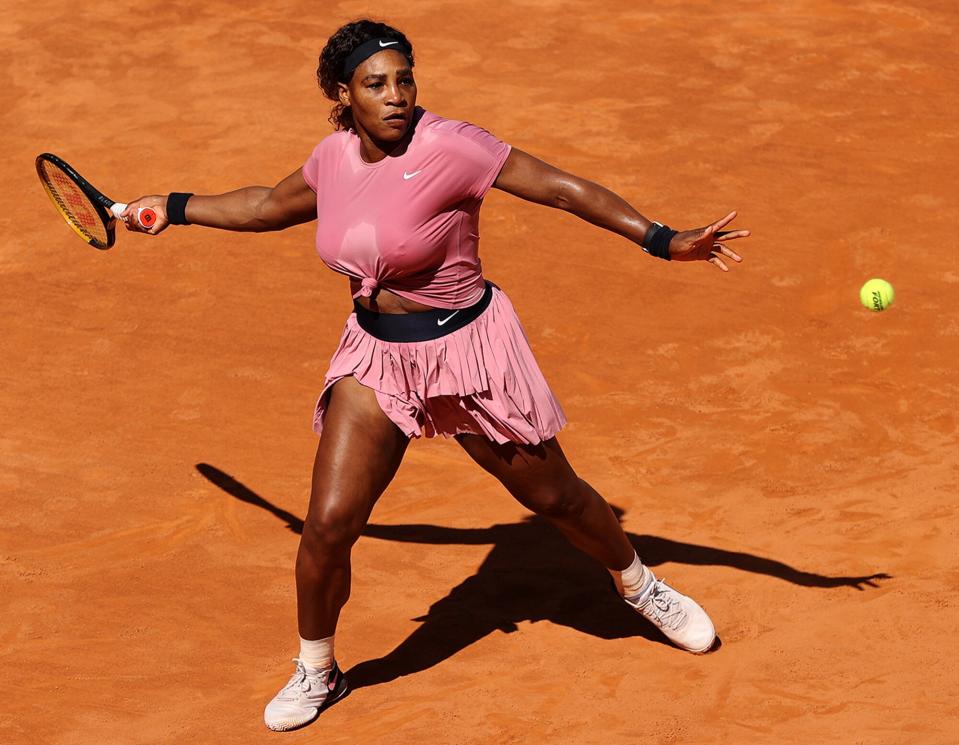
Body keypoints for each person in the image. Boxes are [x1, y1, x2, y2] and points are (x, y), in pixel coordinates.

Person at [122, 19, 749, 732]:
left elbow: (562, 190)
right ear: (342, 94)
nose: (396, 96)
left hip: (469, 355)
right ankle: (318, 668)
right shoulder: (332, 160)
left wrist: (662, 240)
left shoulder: (452, 145)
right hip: (376, 359)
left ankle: (638, 585)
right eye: (376, 84)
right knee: (327, 525)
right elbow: (267, 205)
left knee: (560, 501)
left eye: (404, 79)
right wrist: (172, 209)